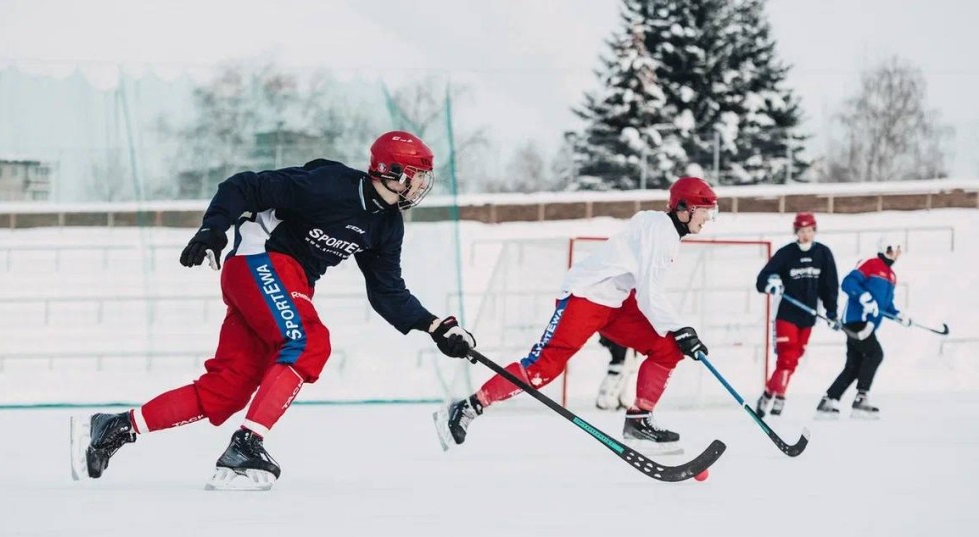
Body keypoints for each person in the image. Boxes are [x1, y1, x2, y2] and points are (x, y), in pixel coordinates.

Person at [71, 130, 476, 490]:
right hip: (260, 260)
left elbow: (387, 293)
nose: (421, 184)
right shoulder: (331, 184)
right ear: (390, 172)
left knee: (229, 388)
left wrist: (436, 327)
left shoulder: (387, 226)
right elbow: (244, 186)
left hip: (285, 282)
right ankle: (247, 444)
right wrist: (213, 228)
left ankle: (116, 427)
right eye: (416, 175)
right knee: (309, 342)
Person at [434, 176, 719, 456]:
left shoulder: (658, 226)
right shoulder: (662, 233)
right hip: (586, 296)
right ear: (684, 208)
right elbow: (650, 292)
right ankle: (468, 407)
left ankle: (639, 420)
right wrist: (681, 328)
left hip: (616, 301)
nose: (707, 219)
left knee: (667, 348)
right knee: (542, 368)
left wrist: (678, 332)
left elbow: (644, 290)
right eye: (704, 211)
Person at [753, 212, 839, 417]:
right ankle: (780, 396)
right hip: (786, 315)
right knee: (787, 356)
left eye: (809, 231)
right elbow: (762, 280)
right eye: (802, 231)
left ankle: (767, 394)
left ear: (814, 231)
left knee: (793, 359)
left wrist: (832, 312)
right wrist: (771, 283)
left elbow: (830, 286)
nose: (806, 235)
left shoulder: (824, 254)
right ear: (796, 232)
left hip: (808, 317)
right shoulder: (786, 253)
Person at [816, 239, 911, 418]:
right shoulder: (871, 264)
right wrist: (863, 296)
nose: (895, 253)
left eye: (898, 250)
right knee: (875, 354)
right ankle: (861, 398)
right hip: (856, 320)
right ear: (884, 249)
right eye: (892, 249)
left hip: (869, 325)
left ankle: (828, 401)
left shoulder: (891, 276)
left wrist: (897, 315)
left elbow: (886, 305)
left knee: (854, 365)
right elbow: (848, 283)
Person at [595, 335, 635, 410]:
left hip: (620, 337)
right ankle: (605, 398)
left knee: (623, 367)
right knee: (618, 365)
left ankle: (614, 398)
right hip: (617, 337)